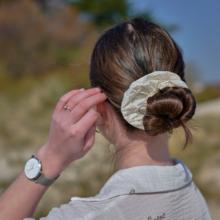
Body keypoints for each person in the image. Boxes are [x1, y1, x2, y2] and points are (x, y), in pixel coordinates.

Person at [0, 17, 211, 220]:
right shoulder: (191, 192)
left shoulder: (91, 215)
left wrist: (50, 157)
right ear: (176, 94)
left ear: (99, 105)